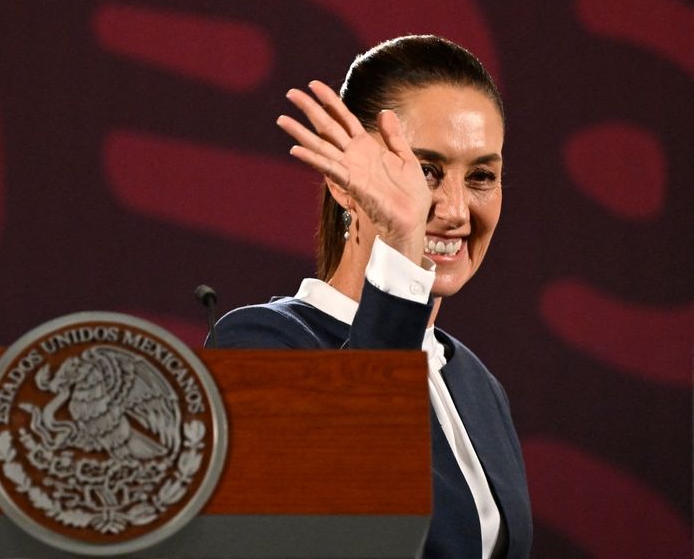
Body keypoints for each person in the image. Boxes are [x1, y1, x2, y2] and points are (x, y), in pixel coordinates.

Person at [213, 35, 532, 558]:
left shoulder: (477, 383)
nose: (454, 209)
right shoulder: (258, 345)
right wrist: (402, 250)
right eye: (425, 172)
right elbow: (350, 525)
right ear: (345, 184)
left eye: (481, 176)